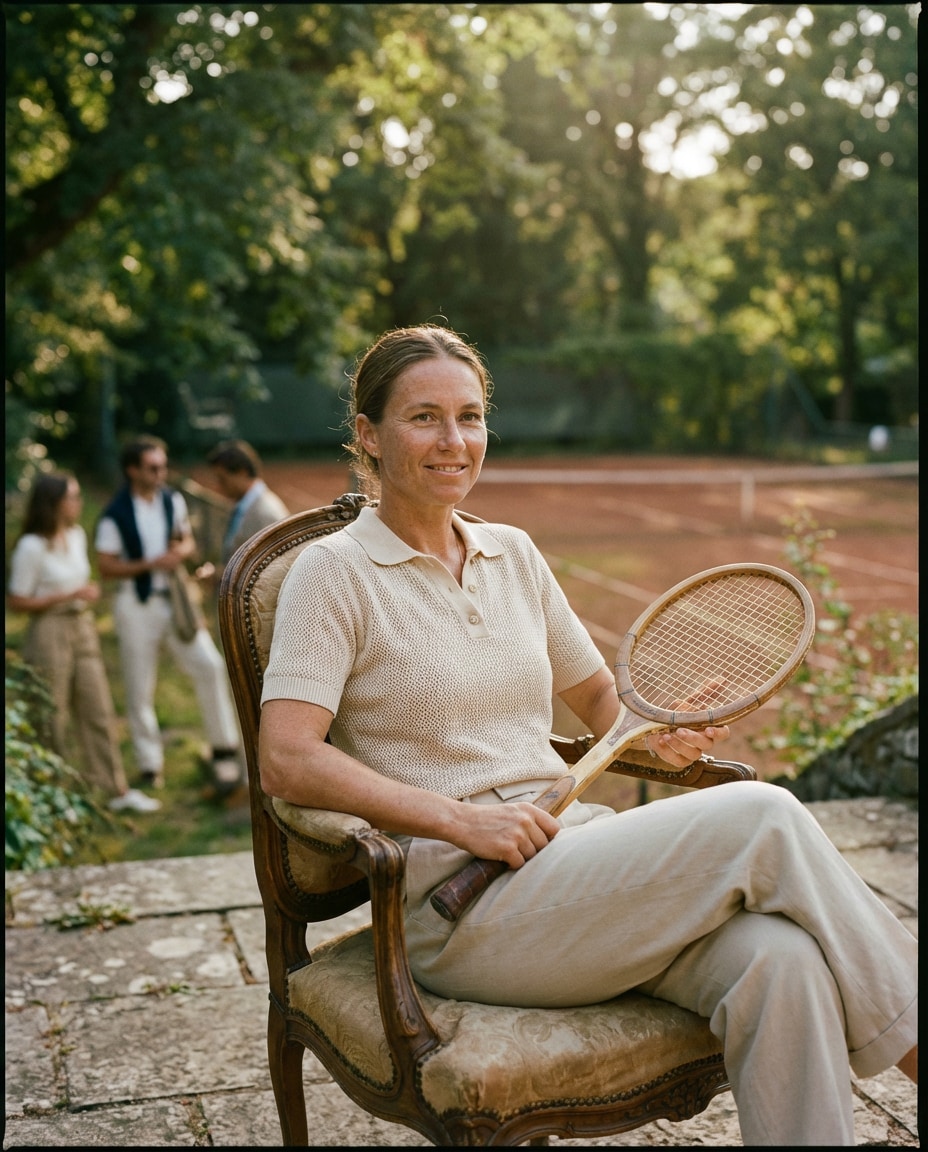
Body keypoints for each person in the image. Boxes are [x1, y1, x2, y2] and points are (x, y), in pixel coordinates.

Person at [257, 324, 916, 1146]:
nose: (454, 441)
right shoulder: (333, 573)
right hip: (458, 913)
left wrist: (655, 741)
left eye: (469, 416)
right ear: (369, 435)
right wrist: (461, 820)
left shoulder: (514, 554)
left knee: (779, 963)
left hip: (571, 865)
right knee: (764, 814)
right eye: (424, 417)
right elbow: (286, 758)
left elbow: (603, 700)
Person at [94, 435, 243, 795]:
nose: (161, 472)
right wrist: (150, 564)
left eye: (162, 465)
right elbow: (105, 566)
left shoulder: (171, 500)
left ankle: (224, 746)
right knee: (139, 687)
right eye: (152, 467)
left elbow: (186, 539)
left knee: (209, 665)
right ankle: (149, 766)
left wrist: (181, 553)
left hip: (175, 601)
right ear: (133, 470)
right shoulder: (114, 513)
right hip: (136, 604)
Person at [7, 472, 161, 814]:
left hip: (83, 626)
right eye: (72, 497)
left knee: (98, 709)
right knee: (51, 714)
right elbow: (17, 601)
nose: (78, 503)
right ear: (54, 502)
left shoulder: (76, 536)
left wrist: (85, 593)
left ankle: (114, 788)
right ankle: (51, 797)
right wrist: (67, 595)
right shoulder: (31, 546)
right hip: (48, 631)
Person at [205, 439, 290, 570]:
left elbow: (272, 570)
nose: (219, 486)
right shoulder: (245, 506)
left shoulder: (265, 513)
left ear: (242, 472)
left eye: (223, 479)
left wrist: (219, 576)